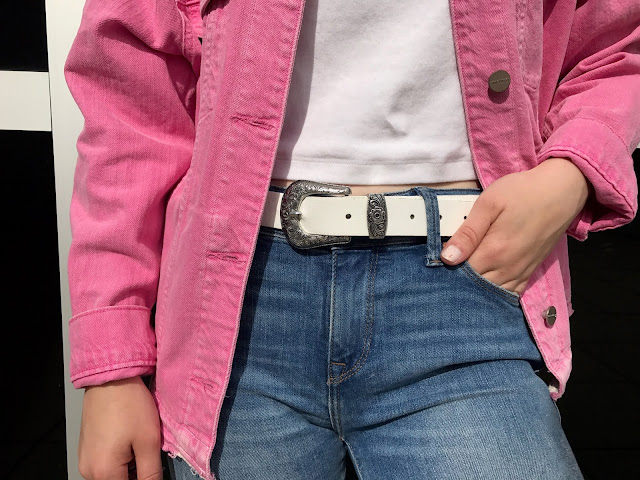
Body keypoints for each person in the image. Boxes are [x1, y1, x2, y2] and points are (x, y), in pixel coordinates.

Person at [64, 0, 639, 479]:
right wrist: (114, 366)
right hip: (234, 311)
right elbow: (130, 106)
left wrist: (571, 172)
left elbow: (619, 40)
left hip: (462, 282)